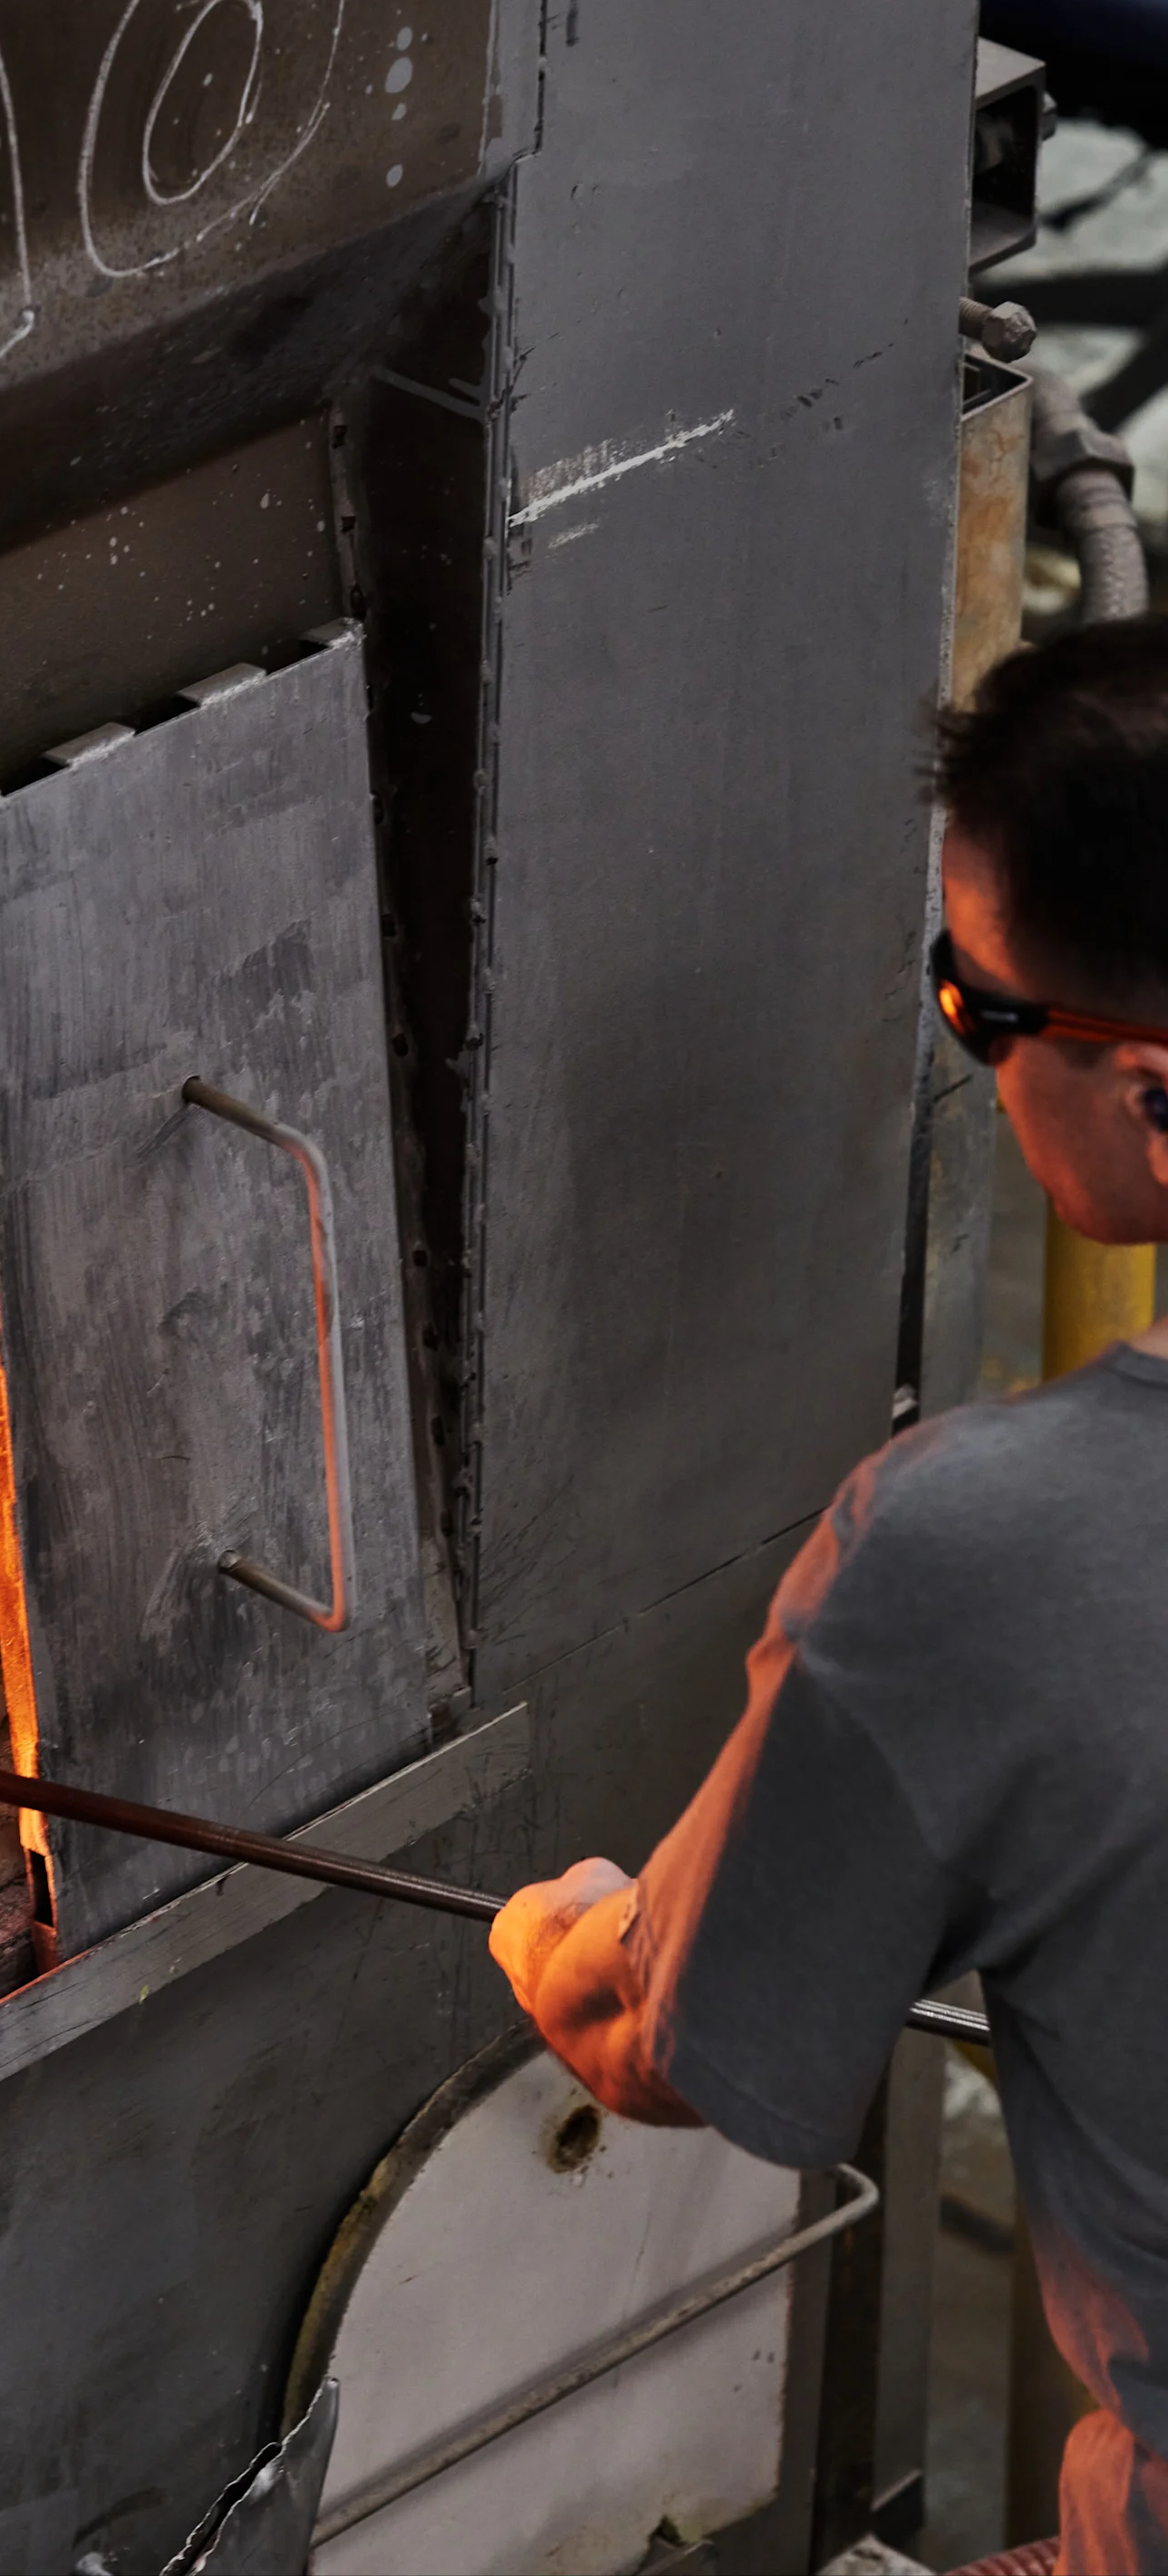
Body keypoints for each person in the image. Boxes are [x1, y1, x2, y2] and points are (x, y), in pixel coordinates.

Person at [489, 614, 1168, 2576]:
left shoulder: (984, 1559)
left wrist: (583, 1939)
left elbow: (669, 2047)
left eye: (976, 1009)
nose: (960, 1046)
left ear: (1144, 1090)